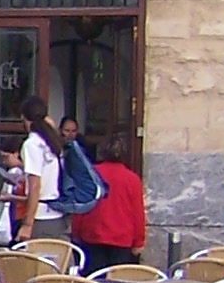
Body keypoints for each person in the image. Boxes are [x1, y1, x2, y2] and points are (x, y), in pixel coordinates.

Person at [73, 137, 147, 272]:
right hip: (122, 238)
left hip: (92, 235)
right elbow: (138, 213)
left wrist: (76, 232)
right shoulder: (132, 179)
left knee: (93, 282)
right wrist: (139, 241)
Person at [14, 96, 69, 244]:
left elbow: (35, 185)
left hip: (40, 216)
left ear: (23, 117)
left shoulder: (32, 144)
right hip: (57, 213)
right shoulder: (52, 142)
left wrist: (27, 224)